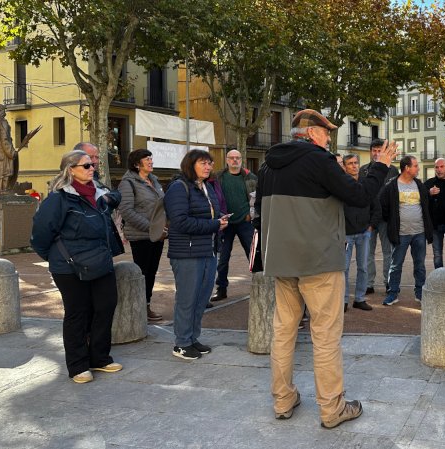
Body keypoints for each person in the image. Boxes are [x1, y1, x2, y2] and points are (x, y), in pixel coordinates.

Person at [255, 109, 397, 428]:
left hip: (283, 262)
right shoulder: (319, 161)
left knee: (283, 332)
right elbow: (360, 195)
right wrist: (380, 165)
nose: (329, 138)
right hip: (319, 262)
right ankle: (332, 408)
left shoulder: (267, 166)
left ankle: (282, 399)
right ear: (312, 133)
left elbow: (259, 213)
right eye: (326, 132)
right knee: (326, 335)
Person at [30, 149, 124, 384]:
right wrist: (57, 258)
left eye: (93, 165)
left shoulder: (99, 194)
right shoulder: (59, 199)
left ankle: (99, 357)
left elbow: (113, 205)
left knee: (106, 306)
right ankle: (78, 365)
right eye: (86, 165)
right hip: (69, 267)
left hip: (100, 261)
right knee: (77, 313)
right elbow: (40, 235)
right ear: (70, 170)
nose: (92, 168)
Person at [164, 149, 228, 360]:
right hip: (187, 253)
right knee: (187, 299)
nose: (208, 167)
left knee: (201, 299)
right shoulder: (178, 187)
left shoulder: (207, 186)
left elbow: (209, 214)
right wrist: (214, 224)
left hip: (208, 250)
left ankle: (192, 338)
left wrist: (220, 219)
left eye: (210, 163)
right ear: (190, 165)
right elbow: (180, 222)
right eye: (203, 163)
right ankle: (181, 344)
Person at [117, 149, 165, 322]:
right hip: (141, 236)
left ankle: (146, 305)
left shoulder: (154, 180)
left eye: (151, 158)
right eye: (147, 159)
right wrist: (151, 228)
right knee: (142, 273)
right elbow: (126, 211)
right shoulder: (127, 183)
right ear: (137, 164)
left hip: (157, 235)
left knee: (151, 272)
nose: (151, 161)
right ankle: (139, 308)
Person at [379, 155, 433, 306]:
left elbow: (426, 204)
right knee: (396, 265)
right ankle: (392, 293)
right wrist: (392, 222)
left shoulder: (419, 184)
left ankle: (420, 293)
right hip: (400, 234)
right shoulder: (392, 186)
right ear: (407, 168)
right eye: (415, 166)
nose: (418, 168)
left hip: (419, 233)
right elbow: (383, 205)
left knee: (420, 265)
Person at [211, 149, 257, 302]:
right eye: (232, 158)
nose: (235, 160)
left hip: (245, 222)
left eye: (238, 158)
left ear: (241, 160)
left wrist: (251, 213)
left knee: (253, 255)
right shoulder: (218, 177)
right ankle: (221, 289)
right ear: (227, 160)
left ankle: (259, 287)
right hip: (225, 223)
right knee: (223, 258)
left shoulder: (251, 178)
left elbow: (257, 197)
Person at [360, 138, 399, 295]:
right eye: (374, 151)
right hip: (368, 219)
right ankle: (369, 283)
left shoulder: (393, 170)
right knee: (368, 253)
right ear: (370, 152)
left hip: (385, 218)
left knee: (387, 252)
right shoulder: (363, 170)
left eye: (379, 151)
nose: (377, 153)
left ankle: (388, 282)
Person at [343, 153, 375, 312]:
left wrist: (371, 225)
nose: (354, 166)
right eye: (350, 163)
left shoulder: (365, 183)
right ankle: (343, 301)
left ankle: (360, 299)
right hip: (346, 234)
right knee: (344, 268)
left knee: (363, 267)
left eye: (356, 162)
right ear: (344, 166)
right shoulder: (341, 184)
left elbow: (375, 204)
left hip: (364, 232)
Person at [0, 104, 16, 192]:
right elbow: (5, 140)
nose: (5, 112)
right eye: (3, 110)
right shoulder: (3, 123)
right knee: (4, 173)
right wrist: (12, 152)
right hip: (3, 154)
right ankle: (2, 189)